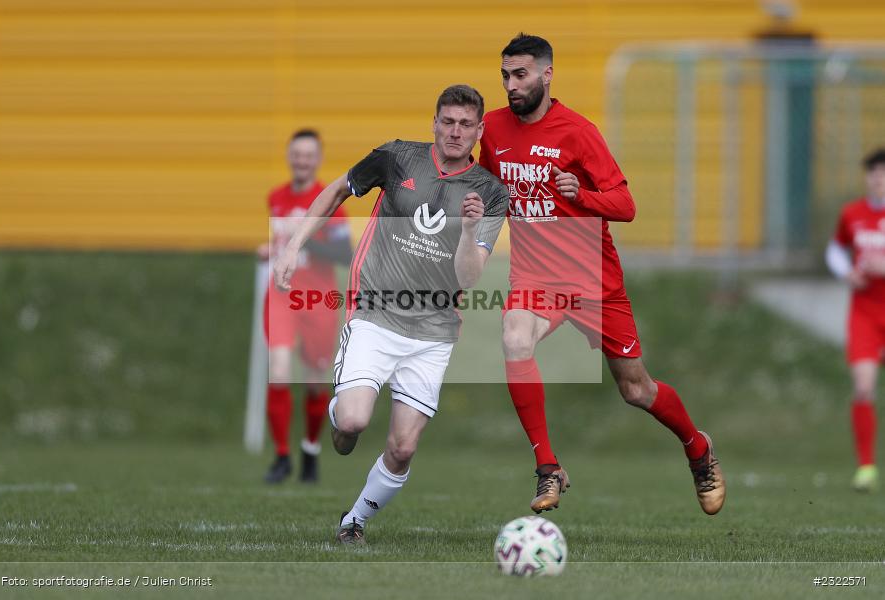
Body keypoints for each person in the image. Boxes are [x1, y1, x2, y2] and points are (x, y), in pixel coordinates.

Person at [479, 34, 725, 515]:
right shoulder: (491, 129)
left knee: (637, 390)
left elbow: (626, 206)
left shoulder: (579, 132)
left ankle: (698, 449)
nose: (511, 84)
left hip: (594, 282)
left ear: (547, 74)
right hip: (535, 281)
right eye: (506, 75)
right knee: (514, 337)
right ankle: (548, 466)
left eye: (521, 74)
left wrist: (582, 195)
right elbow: (487, 189)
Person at [273, 85, 509, 544]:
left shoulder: (489, 193)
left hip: (434, 333)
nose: (455, 132)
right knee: (353, 423)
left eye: (465, 124)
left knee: (403, 447)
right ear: (434, 123)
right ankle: (343, 423)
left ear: (479, 131)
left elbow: (467, 278)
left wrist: (469, 230)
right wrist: (292, 246)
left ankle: (354, 520)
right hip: (375, 315)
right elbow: (338, 190)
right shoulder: (398, 157)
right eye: (448, 121)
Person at [258, 129, 352, 484]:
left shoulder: (329, 200)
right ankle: (281, 456)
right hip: (281, 296)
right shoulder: (276, 198)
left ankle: (310, 448)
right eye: (296, 154)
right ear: (288, 156)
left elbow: (345, 254)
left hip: (317, 300)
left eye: (308, 155)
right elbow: (279, 243)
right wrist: (271, 250)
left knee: (315, 383)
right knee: (279, 370)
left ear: (318, 159)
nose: (301, 160)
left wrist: (302, 246)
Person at [826, 148, 885, 492]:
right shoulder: (853, 214)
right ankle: (866, 467)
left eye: (883, 174)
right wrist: (847, 273)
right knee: (863, 387)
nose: (878, 180)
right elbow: (835, 249)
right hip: (864, 312)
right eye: (873, 174)